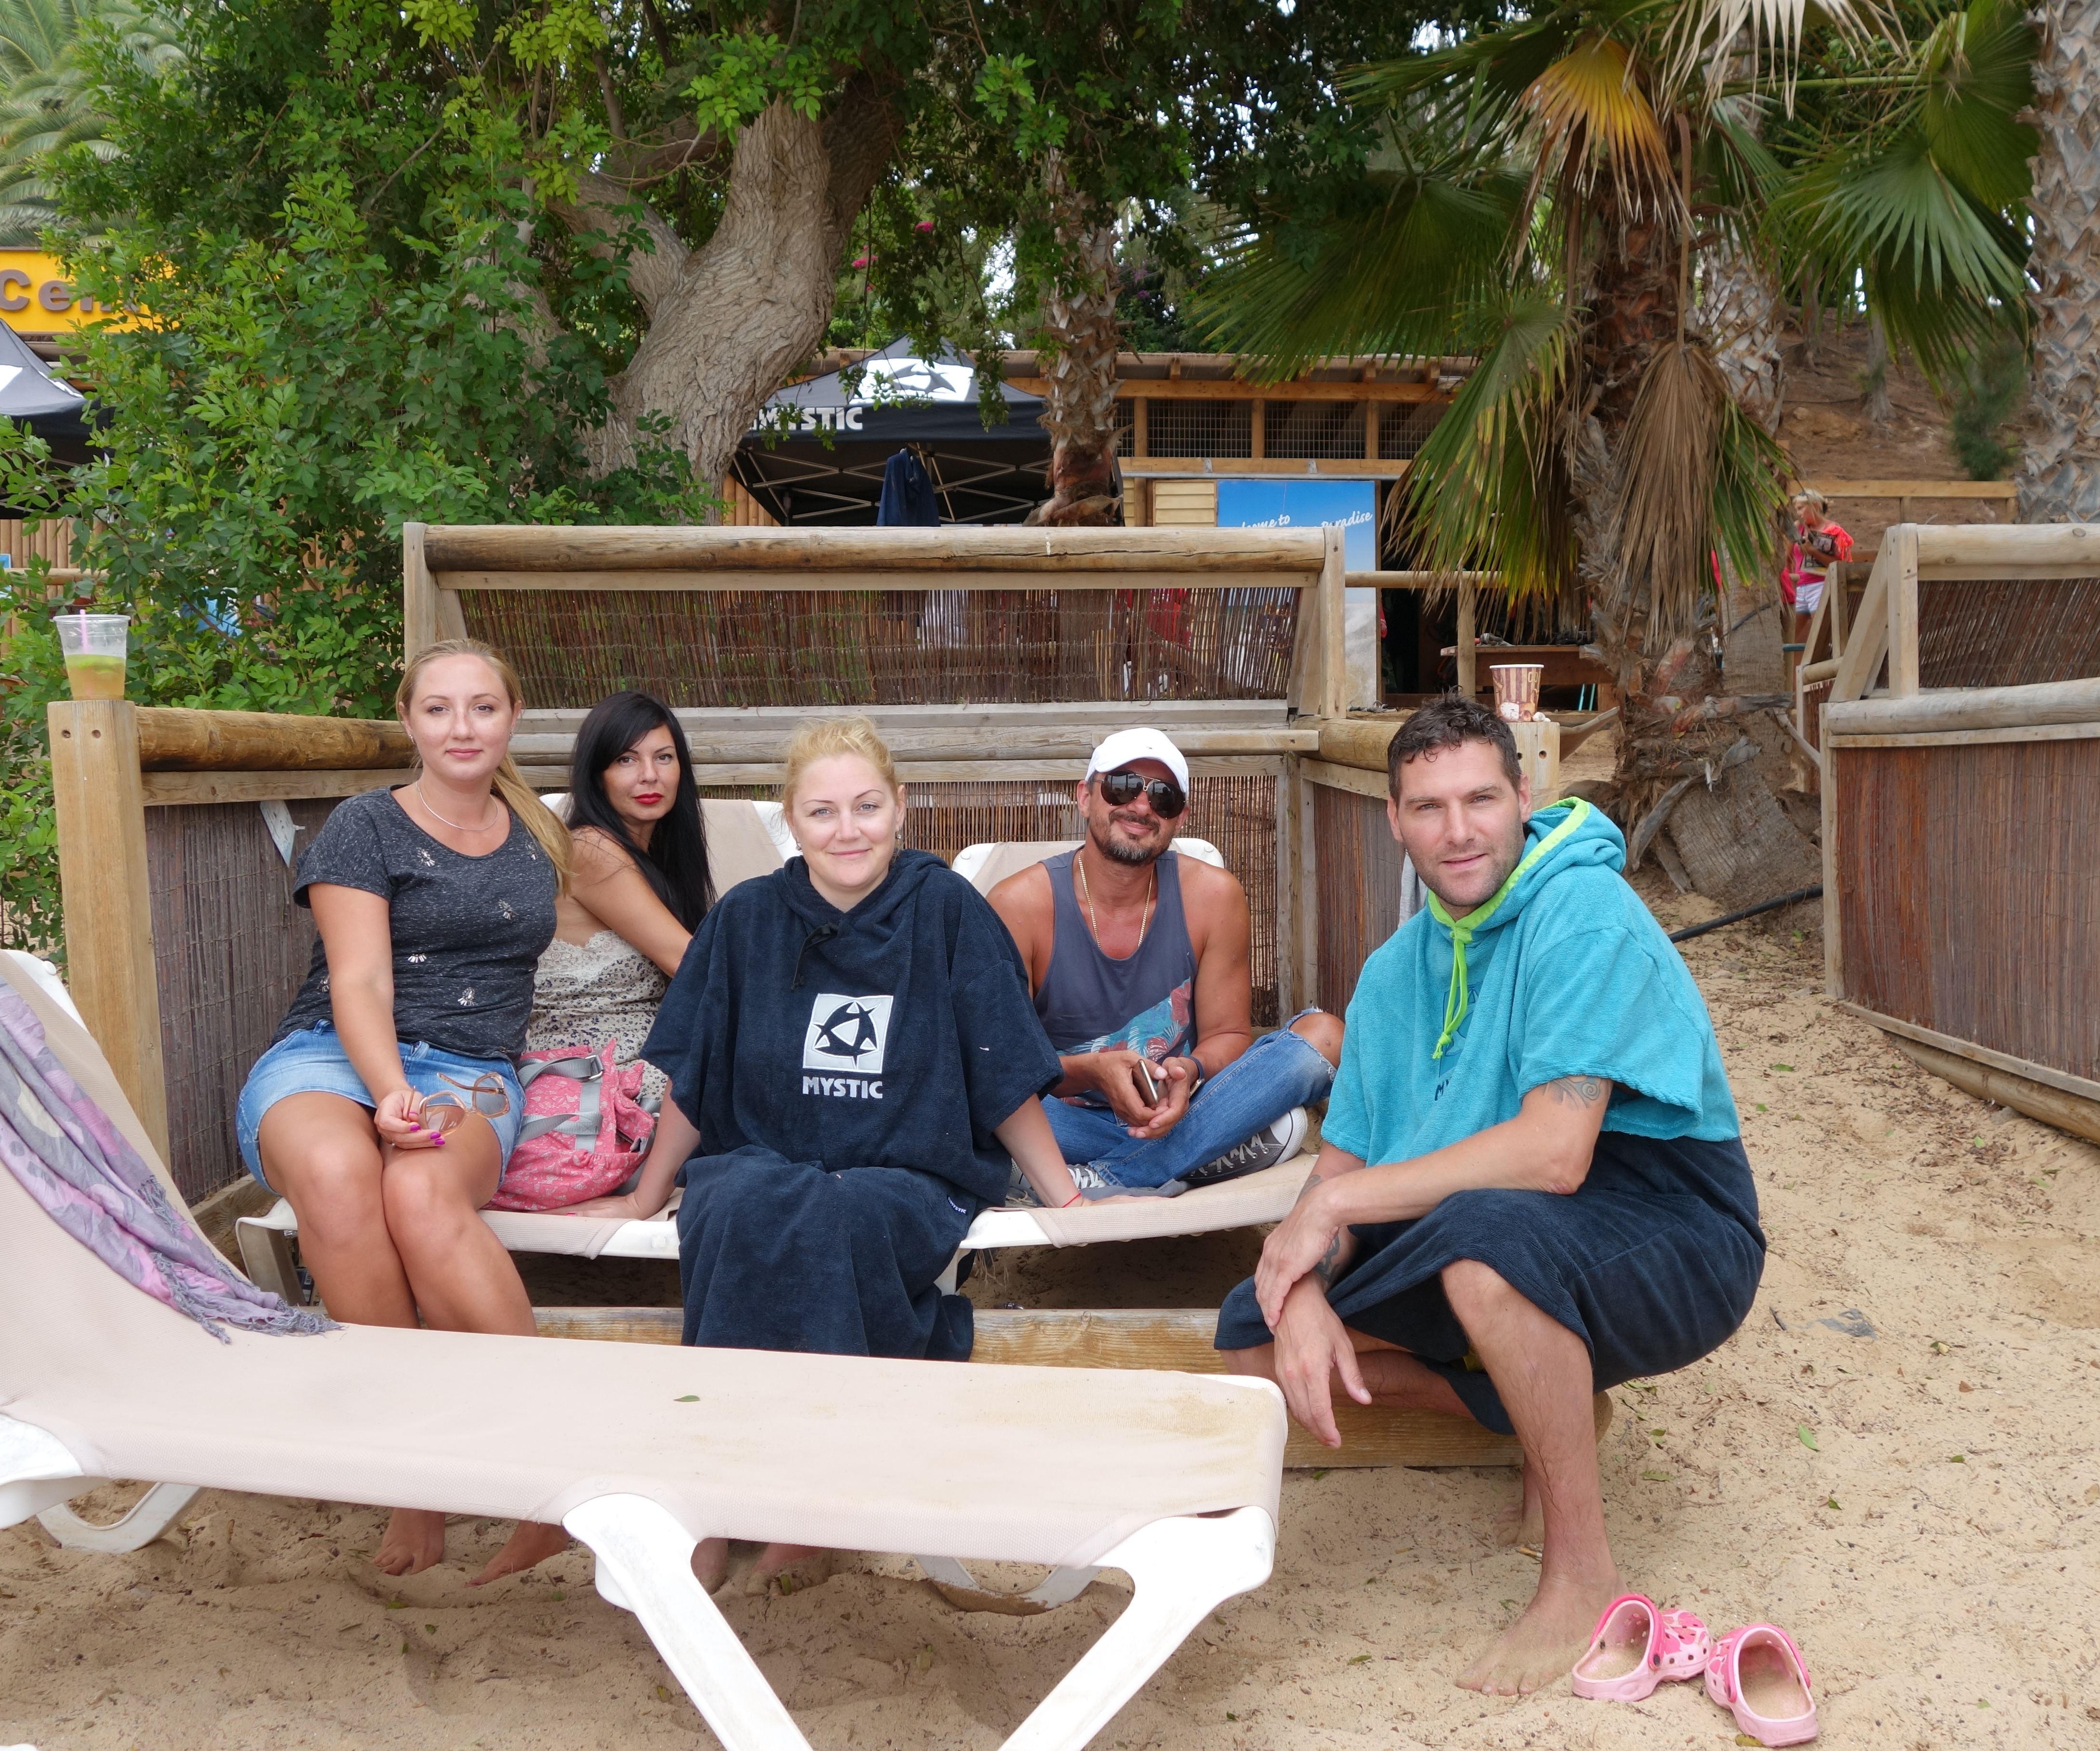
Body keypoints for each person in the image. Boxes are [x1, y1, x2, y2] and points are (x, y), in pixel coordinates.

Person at [1215, 696, 1764, 1697]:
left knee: (1484, 1249)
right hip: (1502, 1215)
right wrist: (1299, 1292)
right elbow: (1340, 1171)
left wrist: (1332, 1215)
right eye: (1429, 807)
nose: (1458, 829)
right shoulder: (1391, 974)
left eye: (1480, 798)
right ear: (1396, 821)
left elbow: (1559, 1153)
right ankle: (1518, 1400)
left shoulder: (1583, 911)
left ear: (1525, 797)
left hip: (1678, 1226)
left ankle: (1582, 1575)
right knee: (1252, 1340)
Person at [638, 716, 1082, 1589]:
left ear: (902, 808)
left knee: (840, 1213)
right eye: (824, 811)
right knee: (729, 1206)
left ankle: (811, 1497)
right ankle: (716, 1492)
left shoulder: (948, 910)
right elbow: (699, 1073)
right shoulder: (747, 918)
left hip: (908, 1168)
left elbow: (999, 1069)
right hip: (766, 1154)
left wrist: (1062, 1196)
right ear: (792, 822)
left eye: (867, 806)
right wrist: (644, 1192)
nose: (848, 829)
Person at [232, 637, 573, 1583]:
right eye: (438, 708)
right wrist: (386, 1091)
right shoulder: (363, 827)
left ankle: (548, 1468)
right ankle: (415, 1478)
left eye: (481, 707)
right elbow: (361, 980)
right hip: (334, 1055)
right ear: (408, 721)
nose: (461, 727)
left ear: (512, 719)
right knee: (341, 1176)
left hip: (472, 1076)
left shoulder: (541, 835)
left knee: (422, 1200)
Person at [987, 727, 1341, 1196]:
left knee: (1326, 1037)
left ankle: (1113, 1178)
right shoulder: (1019, 905)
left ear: (1180, 818)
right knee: (977, 1107)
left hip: (1177, 1112)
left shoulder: (1214, 896)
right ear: (1086, 796)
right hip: (1060, 1120)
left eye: (1163, 797)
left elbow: (1228, 1036)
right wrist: (1092, 1072)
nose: (1141, 806)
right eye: (1122, 787)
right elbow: (998, 1063)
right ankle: (1187, 1163)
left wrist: (1188, 1073)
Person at [525, 691, 712, 1219]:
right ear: (598, 774)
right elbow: (697, 967)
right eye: (626, 760)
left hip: (643, 1069)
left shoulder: (656, 858)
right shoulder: (591, 848)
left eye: (664, 757)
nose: (648, 776)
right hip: (589, 1086)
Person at [1781, 490, 1851, 651]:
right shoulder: (1798, 528)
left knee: (1821, 635)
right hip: (1799, 587)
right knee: (1789, 636)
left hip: (1821, 585)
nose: (1798, 513)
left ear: (1814, 506)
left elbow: (1840, 563)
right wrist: (1789, 583)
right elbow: (1787, 557)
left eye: (1801, 509)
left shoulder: (1832, 529)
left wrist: (1813, 552)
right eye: (1797, 510)